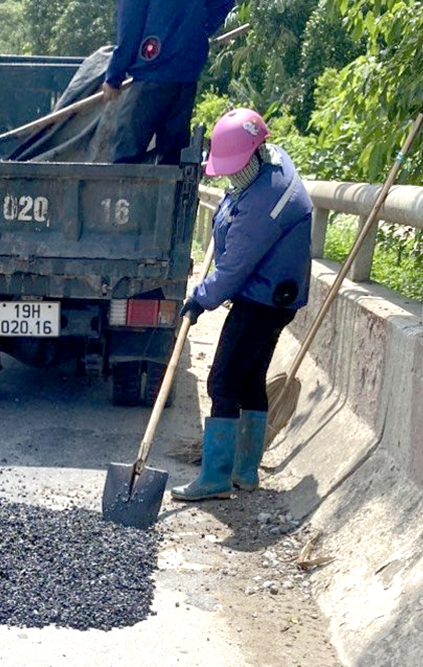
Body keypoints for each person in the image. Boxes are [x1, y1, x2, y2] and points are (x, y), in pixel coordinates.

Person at [170, 108, 312, 501]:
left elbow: (232, 271)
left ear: (254, 152)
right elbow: (238, 206)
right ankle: (245, 472)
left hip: (261, 300)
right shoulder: (274, 159)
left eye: (235, 166)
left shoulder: (264, 203)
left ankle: (215, 478)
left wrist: (199, 300)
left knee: (222, 380)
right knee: (251, 379)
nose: (231, 175)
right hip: (279, 296)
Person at [101, 0, 235, 164]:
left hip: (152, 72)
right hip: (187, 69)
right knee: (173, 159)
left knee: (126, 157)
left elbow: (130, 24)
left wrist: (114, 76)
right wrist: (198, 31)